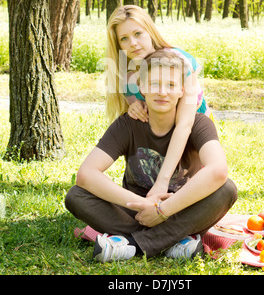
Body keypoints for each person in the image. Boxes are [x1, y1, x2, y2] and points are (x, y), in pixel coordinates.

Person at [65, 50, 237, 263]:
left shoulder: (199, 123)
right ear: (142, 87)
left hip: (182, 209)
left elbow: (218, 170)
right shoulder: (127, 125)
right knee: (76, 196)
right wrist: (146, 207)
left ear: (182, 91)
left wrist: (163, 211)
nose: (162, 92)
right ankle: (173, 242)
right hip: (136, 211)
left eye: (171, 85)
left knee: (226, 190)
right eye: (155, 84)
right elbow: (86, 174)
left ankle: (130, 245)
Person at [105, 4, 214, 199]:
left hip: (191, 143)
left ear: (150, 31)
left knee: (190, 195)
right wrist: (134, 108)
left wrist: (162, 182)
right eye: (124, 38)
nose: (133, 43)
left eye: (138, 33)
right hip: (158, 144)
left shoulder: (179, 61)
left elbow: (184, 125)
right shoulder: (126, 75)